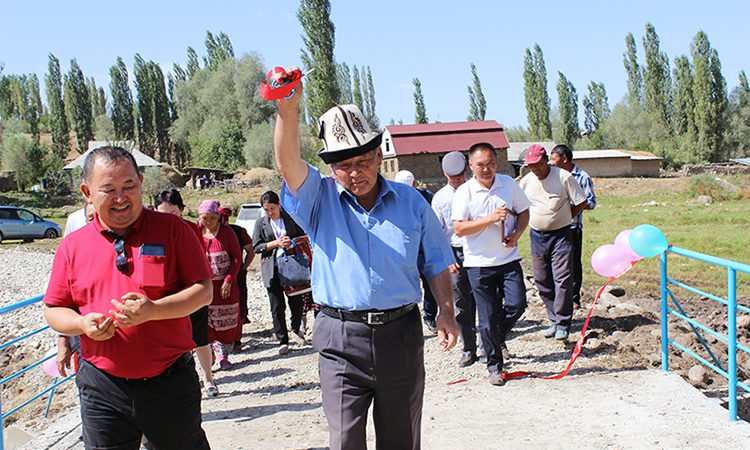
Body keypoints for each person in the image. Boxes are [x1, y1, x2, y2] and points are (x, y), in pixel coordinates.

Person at [274, 82, 458, 450]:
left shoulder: (412, 202)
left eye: (363, 161)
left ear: (379, 156)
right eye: (343, 166)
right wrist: (288, 111)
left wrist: (447, 312)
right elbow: (287, 162)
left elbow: (436, 260)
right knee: (344, 440)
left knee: (401, 439)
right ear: (332, 168)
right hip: (340, 337)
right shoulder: (318, 199)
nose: (355, 172)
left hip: (400, 335)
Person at [43, 146, 212, 449]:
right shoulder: (71, 246)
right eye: (108, 189)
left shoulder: (173, 230)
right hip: (102, 386)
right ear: (87, 192)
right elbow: (54, 309)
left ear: (141, 183)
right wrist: (82, 324)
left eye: (129, 186)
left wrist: (154, 310)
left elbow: (203, 291)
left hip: (169, 382)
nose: (121, 198)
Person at [452, 143, 530, 385]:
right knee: (486, 317)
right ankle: (494, 366)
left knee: (517, 304)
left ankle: (494, 337)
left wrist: (516, 235)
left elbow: (525, 211)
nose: (487, 169)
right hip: (478, 264)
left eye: (491, 164)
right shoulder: (465, 192)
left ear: (497, 163)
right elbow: (459, 228)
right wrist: (489, 219)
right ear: (471, 166)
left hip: (507, 260)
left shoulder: (508, 184)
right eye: (481, 165)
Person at [519, 144, 588, 340]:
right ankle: (552, 319)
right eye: (530, 166)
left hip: (561, 235)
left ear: (546, 161)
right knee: (542, 279)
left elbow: (581, 201)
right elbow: (520, 206)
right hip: (537, 236)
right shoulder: (527, 181)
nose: (535, 169)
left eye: (538, 165)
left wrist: (566, 217)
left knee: (563, 278)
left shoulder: (563, 177)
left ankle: (563, 323)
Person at [154, 189, 218, 398]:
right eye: (161, 213)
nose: (167, 219)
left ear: (181, 210)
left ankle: (208, 378)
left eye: (172, 213)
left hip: (191, 293)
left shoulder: (191, 230)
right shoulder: (151, 233)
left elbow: (199, 264)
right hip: (163, 297)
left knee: (200, 338)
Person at [430, 151, 480, 367]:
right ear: (445, 174)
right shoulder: (440, 198)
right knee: (462, 304)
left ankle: (493, 345)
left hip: (478, 251)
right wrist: (446, 258)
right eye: (453, 177)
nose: (458, 180)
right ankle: (469, 348)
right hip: (455, 253)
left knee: (486, 300)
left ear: (466, 171)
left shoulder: (476, 190)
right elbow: (437, 233)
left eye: (460, 175)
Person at [252, 191, 308, 355]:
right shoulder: (260, 224)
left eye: (272, 208)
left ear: (279, 205)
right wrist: (275, 243)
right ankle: (282, 340)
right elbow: (257, 247)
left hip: (292, 266)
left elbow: (303, 236)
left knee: (296, 302)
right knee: (276, 306)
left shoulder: (291, 218)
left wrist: (290, 242)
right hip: (272, 269)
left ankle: (295, 328)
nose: (270, 212)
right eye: (266, 209)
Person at [549, 144, 597, 307]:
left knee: (573, 263)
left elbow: (591, 202)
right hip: (554, 227)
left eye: (553, 159)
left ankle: (574, 298)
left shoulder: (582, 177)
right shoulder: (553, 176)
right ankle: (558, 297)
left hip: (572, 227)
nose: (551, 162)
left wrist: (573, 206)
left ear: (564, 159)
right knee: (554, 262)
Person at [198, 199, 242, 370]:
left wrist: (229, 280)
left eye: (211, 218)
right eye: (204, 218)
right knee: (205, 321)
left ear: (218, 216)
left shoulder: (227, 233)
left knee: (226, 321)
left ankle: (224, 355)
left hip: (225, 287)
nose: (208, 222)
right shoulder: (197, 232)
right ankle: (210, 355)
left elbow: (237, 258)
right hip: (205, 287)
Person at [394, 169, 438, 333]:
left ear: (414, 184)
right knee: (403, 286)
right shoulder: (391, 199)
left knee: (430, 284)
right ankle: (402, 319)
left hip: (424, 248)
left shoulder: (427, 197)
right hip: (403, 251)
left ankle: (429, 316)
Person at [56, 202, 95, 376]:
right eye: (91, 218)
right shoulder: (73, 250)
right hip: (85, 344)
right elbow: (61, 301)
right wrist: (63, 340)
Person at [219, 206, 255, 352]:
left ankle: (236, 339)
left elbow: (250, 250)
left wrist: (244, 267)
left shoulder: (239, 231)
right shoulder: (210, 232)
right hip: (218, 276)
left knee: (239, 302)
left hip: (237, 274)